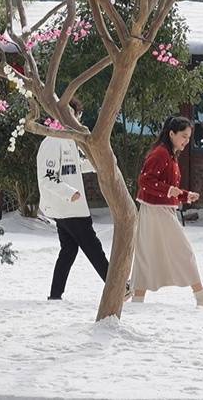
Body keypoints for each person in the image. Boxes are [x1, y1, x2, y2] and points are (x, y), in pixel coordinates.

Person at [130, 116, 203, 307]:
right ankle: (200, 295)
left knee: (147, 253)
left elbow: (166, 187)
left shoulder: (169, 154)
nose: (186, 141)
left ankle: (138, 298)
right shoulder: (161, 154)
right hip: (157, 211)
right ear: (171, 134)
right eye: (183, 136)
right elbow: (145, 181)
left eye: (189, 138)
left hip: (158, 210)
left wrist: (184, 195)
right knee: (183, 251)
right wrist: (169, 191)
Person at [36, 99, 118, 300]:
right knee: (93, 247)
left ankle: (55, 295)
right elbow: (47, 177)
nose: (73, 119)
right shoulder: (52, 141)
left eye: (75, 115)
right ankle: (117, 287)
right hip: (69, 207)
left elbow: (74, 167)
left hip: (69, 207)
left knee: (69, 250)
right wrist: (69, 193)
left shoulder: (69, 140)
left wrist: (98, 165)